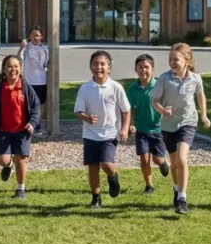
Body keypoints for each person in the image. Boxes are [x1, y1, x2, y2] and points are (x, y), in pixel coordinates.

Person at [151, 42, 211, 215]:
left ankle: (182, 198)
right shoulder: (164, 79)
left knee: (182, 159)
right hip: (168, 125)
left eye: (175, 59)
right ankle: (176, 189)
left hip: (188, 122)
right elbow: (154, 100)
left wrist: (204, 115)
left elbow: (201, 95)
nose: (172, 62)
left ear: (187, 60)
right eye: (170, 59)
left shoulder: (195, 79)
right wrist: (162, 110)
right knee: (174, 162)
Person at [73, 50, 130, 209]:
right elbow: (78, 111)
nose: (99, 67)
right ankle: (96, 197)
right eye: (95, 64)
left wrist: (124, 129)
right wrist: (86, 118)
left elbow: (126, 109)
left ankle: (113, 176)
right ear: (90, 67)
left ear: (109, 68)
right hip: (90, 133)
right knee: (93, 166)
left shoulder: (116, 87)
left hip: (110, 133)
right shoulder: (85, 88)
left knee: (106, 163)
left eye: (102, 64)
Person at [0, 54, 41, 200]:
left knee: (21, 159)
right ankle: (8, 166)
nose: (13, 69)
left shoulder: (26, 87)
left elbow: (35, 107)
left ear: (21, 69)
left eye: (16, 66)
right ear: (3, 70)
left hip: (23, 130)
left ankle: (20, 188)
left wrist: (32, 123)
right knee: (2, 159)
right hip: (4, 130)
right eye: (9, 66)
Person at [126, 53, 171, 196]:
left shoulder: (159, 86)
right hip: (141, 129)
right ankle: (149, 185)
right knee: (144, 158)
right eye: (140, 67)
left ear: (152, 69)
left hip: (158, 129)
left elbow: (168, 103)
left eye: (146, 67)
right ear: (135, 69)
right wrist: (130, 125)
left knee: (157, 158)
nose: (143, 70)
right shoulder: (132, 89)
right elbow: (129, 109)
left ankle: (163, 163)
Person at [18, 26, 49, 136]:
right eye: (35, 35)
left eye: (39, 35)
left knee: (39, 104)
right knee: (27, 104)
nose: (37, 38)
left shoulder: (45, 49)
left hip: (41, 81)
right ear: (30, 36)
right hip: (28, 81)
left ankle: (38, 125)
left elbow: (47, 64)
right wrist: (21, 48)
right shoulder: (26, 48)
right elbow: (18, 60)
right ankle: (27, 124)